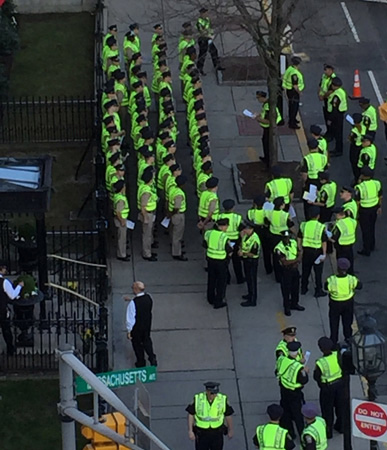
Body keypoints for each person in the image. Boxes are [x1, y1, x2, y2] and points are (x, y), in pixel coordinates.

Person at [186, 381, 234, 450]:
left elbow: (228, 415)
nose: (214, 395)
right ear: (207, 391)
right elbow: (191, 414)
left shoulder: (222, 399)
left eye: (215, 393)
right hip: (202, 433)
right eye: (212, 393)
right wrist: (190, 431)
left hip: (217, 432)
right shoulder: (198, 399)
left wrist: (231, 430)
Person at [325, 258, 362, 344]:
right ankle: (348, 338)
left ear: (338, 268)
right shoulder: (351, 279)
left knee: (334, 323)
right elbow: (360, 286)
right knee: (347, 322)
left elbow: (326, 287)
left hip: (335, 304)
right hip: (348, 303)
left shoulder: (332, 279)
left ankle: (334, 341)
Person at [277, 341, 309, 439]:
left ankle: (290, 433)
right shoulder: (299, 368)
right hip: (294, 393)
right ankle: (302, 434)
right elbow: (304, 380)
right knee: (297, 414)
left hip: (283, 389)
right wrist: (305, 371)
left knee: (285, 411)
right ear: (297, 353)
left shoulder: (281, 359)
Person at [314, 337, 344, 439]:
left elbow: (316, 377)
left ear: (321, 349)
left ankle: (328, 432)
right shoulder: (337, 355)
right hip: (339, 386)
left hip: (327, 388)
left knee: (327, 411)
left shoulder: (320, 362)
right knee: (340, 408)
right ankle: (341, 427)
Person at [125, 281, 157, 367]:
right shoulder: (148, 298)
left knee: (137, 345)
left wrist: (129, 330)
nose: (132, 289)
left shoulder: (133, 303)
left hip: (137, 328)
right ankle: (152, 357)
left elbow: (130, 318)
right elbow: (141, 304)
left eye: (133, 287)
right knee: (147, 340)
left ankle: (141, 362)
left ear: (136, 289)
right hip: (146, 325)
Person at [298, 206, 327, 297]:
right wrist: (324, 253)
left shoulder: (303, 225)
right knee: (318, 273)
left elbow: (299, 237)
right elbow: (324, 242)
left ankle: (303, 288)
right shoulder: (321, 227)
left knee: (305, 271)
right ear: (318, 216)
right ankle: (318, 290)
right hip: (317, 252)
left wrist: (300, 248)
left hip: (306, 251)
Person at [203, 218, 233, 309]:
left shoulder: (208, 233)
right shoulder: (224, 237)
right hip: (221, 262)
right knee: (221, 282)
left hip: (210, 260)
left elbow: (204, 245)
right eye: (226, 226)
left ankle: (210, 298)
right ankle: (218, 301)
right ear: (222, 226)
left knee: (211, 279)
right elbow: (229, 250)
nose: (227, 228)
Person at [274, 231, 304, 316]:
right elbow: (285, 262)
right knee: (286, 290)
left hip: (295, 269)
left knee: (295, 288)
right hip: (286, 271)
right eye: (285, 238)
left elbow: (299, 251)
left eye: (288, 237)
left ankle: (294, 304)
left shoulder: (293, 242)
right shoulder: (279, 248)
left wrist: (298, 258)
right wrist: (297, 260)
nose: (287, 239)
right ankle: (287, 307)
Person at [265, 197, 295, 283]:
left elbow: (267, 222)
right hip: (283, 236)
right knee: (285, 254)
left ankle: (277, 276)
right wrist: (296, 234)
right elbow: (291, 225)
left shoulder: (269, 213)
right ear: (281, 205)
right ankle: (284, 273)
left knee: (275, 256)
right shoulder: (285, 215)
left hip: (272, 236)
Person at [355, 167, 382, 256]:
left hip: (364, 210)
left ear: (363, 176)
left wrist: (357, 213)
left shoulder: (359, 187)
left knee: (365, 230)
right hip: (374, 207)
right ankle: (372, 245)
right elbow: (380, 196)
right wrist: (379, 206)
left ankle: (366, 249)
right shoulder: (377, 183)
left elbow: (357, 202)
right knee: (372, 227)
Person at [216, 199, 244, 284]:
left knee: (225, 261)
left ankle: (227, 279)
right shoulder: (237, 217)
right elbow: (241, 230)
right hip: (235, 241)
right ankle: (239, 278)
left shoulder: (219, 217)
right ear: (233, 208)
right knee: (237, 261)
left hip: (223, 241)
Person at [300, 138, 328, 219]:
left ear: (308, 147)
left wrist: (304, 184)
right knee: (320, 200)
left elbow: (304, 174)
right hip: (321, 182)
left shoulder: (307, 159)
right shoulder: (323, 157)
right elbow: (326, 170)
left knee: (308, 202)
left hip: (310, 183)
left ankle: (309, 218)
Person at [0, 261, 24, 356]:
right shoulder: (4, 282)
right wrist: (19, 286)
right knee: (6, 329)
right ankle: (10, 348)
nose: (6, 270)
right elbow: (12, 295)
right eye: (4, 268)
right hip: (2, 310)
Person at [254, 91, 282, 166]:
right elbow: (264, 114)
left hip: (268, 128)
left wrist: (258, 119)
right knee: (265, 142)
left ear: (262, 97)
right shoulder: (267, 103)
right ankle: (266, 158)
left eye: (258, 98)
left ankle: (268, 160)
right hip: (268, 128)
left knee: (266, 144)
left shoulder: (268, 107)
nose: (257, 99)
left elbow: (268, 121)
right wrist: (259, 115)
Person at [247, 195, 272, 274]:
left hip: (255, 230)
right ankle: (268, 268)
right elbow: (269, 221)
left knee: (254, 248)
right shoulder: (267, 212)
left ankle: (252, 268)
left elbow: (248, 220)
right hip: (264, 230)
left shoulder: (250, 212)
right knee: (266, 250)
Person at [138, 168, 158, 261]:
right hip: (147, 214)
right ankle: (147, 254)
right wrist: (145, 217)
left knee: (149, 234)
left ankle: (148, 250)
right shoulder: (146, 191)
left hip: (150, 213)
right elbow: (143, 206)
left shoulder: (144, 187)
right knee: (147, 234)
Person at [196, 7, 224, 75]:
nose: (207, 14)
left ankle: (217, 66)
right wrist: (209, 35)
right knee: (203, 54)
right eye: (205, 13)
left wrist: (211, 33)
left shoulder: (207, 19)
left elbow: (209, 28)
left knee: (214, 51)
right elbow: (202, 31)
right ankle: (199, 68)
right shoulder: (199, 21)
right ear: (202, 14)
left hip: (208, 39)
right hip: (203, 39)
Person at [239, 221, 261, 307]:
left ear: (251, 229)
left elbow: (253, 253)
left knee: (252, 280)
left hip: (252, 262)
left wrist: (243, 253)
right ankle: (249, 294)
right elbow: (243, 244)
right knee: (248, 279)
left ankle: (253, 300)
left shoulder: (255, 239)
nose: (244, 230)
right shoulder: (246, 236)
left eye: (246, 229)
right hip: (246, 260)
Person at [331, 208, 357, 273]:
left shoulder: (339, 225)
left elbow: (334, 238)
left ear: (339, 215)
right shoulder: (352, 221)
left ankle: (342, 274)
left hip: (341, 247)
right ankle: (351, 273)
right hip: (350, 245)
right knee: (350, 260)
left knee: (341, 263)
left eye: (336, 215)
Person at [326, 77, 348, 157]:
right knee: (338, 132)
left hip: (337, 116)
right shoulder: (341, 91)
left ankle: (338, 150)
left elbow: (335, 109)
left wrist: (330, 119)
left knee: (338, 133)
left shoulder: (336, 96)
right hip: (339, 114)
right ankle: (338, 148)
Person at [168, 175, 187, 261]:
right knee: (177, 235)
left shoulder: (173, 190)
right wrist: (172, 213)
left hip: (174, 214)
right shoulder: (179, 194)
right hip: (178, 215)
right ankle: (176, 253)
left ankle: (175, 249)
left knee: (173, 232)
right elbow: (176, 207)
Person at [282, 57, 304, 129]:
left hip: (290, 91)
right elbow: (295, 85)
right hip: (293, 92)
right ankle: (292, 123)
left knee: (293, 107)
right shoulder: (294, 73)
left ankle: (293, 119)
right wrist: (299, 92)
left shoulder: (290, 69)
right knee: (293, 108)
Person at [113, 180, 130, 262]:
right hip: (121, 220)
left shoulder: (117, 196)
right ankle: (121, 254)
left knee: (121, 238)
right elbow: (118, 212)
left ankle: (123, 253)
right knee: (122, 238)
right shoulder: (120, 199)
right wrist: (122, 221)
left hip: (120, 220)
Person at [318, 64, 336, 132]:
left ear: (331, 70)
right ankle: (328, 130)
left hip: (329, 99)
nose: (325, 72)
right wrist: (319, 94)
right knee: (326, 114)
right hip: (324, 98)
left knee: (330, 115)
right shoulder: (324, 76)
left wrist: (323, 96)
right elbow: (320, 85)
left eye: (327, 70)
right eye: (325, 70)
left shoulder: (333, 79)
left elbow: (330, 91)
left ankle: (331, 131)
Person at [348, 113, 366, 181]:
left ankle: (357, 178)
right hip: (361, 146)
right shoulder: (363, 127)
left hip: (355, 147)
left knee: (354, 163)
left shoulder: (354, 131)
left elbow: (350, 138)